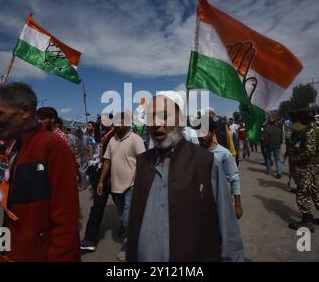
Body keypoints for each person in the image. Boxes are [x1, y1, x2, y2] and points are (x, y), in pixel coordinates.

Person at [127, 92, 244, 262]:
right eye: (152, 117)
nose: (157, 123)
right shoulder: (142, 163)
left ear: (181, 120)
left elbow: (229, 236)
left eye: (164, 115)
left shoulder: (206, 163)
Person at [0, 82, 80, 262]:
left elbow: (66, 217)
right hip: (13, 250)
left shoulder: (53, 146)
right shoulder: (14, 145)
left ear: (25, 111)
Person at [97, 112, 145, 261]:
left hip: (132, 185)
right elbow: (106, 161)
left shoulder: (136, 139)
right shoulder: (112, 140)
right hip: (115, 186)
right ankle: (138, 237)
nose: (118, 124)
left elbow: (142, 162)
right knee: (122, 216)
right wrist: (101, 181)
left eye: (122, 122)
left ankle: (129, 249)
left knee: (126, 219)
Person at [80, 119, 115, 252]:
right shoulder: (102, 135)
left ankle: (90, 239)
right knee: (100, 205)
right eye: (99, 122)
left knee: (121, 204)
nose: (100, 124)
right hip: (99, 172)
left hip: (108, 174)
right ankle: (90, 239)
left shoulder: (114, 135)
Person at [198, 117, 243, 219]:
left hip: (220, 202)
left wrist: (238, 205)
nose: (202, 136)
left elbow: (234, 178)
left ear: (213, 133)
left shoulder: (224, 153)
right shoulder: (195, 151)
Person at [288, 110, 319, 232]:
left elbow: (308, 151)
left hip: (307, 166)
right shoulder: (317, 129)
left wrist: (296, 159)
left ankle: (307, 221)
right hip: (316, 165)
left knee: (303, 192)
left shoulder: (309, 131)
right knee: (317, 189)